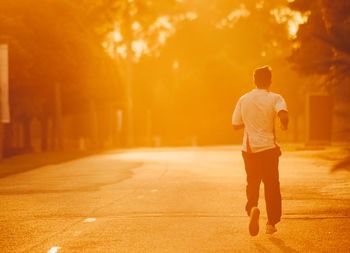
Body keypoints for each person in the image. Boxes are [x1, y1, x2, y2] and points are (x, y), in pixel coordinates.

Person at [232, 66, 288, 236]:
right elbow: (283, 114)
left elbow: (235, 124)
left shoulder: (244, 99)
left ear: (254, 81)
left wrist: (248, 123)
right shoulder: (275, 98)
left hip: (250, 150)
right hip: (269, 149)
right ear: (270, 81)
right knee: (272, 185)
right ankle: (271, 223)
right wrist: (284, 124)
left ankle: (253, 208)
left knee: (253, 182)